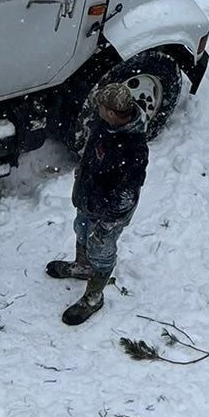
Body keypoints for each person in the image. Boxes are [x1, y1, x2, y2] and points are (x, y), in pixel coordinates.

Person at [47, 80, 148, 325]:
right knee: (81, 230)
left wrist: (106, 225)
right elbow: (94, 149)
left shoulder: (133, 150)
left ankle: (94, 298)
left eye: (101, 106)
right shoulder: (106, 124)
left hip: (109, 212)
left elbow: (126, 195)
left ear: (112, 113)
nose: (97, 109)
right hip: (90, 199)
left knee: (101, 251)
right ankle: (83, 267)